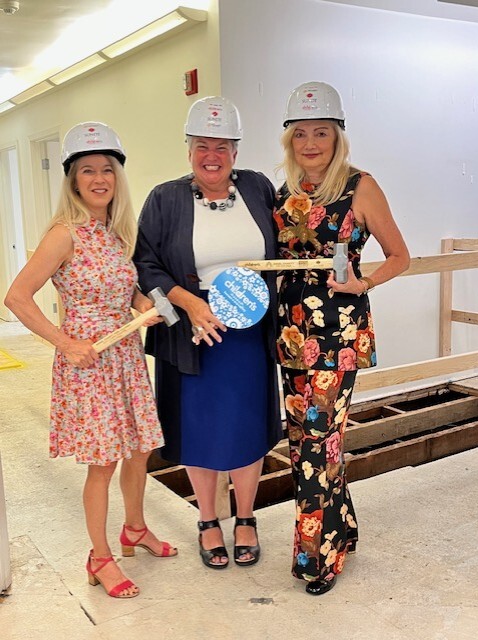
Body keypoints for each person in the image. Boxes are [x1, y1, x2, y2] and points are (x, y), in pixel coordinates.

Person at [4, 122, 177, 599]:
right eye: (88, 170)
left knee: (140, 448)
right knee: (102, 464)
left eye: (108, 169)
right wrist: (64, 342)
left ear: (118, 176)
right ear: (73, 179)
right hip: (88, 362)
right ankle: (98, 557)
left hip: (124, 355)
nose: (99, 178)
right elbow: (16, 297)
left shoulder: (116, 231)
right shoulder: (65, 234)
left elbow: (127, 290)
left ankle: (135, 529)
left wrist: (142, 304)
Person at [133, 96, 282, 570]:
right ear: (188, 150)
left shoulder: (258, 188)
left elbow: (287, 242)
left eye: (222, 146)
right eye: (202, 145)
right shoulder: (165, 198)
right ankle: (207, 519)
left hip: (249, 334)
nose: (211, 155)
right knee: (199, 429)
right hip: (195, 336)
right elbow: (146, 263)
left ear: (236, 152)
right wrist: (191, 303)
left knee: (247, 426)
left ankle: (244, 517)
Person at [273, 82, 410, 595]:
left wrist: (366, 281)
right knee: (309, 443)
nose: (311, 142)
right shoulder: (280, 190)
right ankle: (344, 530)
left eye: (322, 132)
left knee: (316, 444)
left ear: (338, 136)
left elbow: (400, 254)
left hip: (338, 335)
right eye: (301, 133)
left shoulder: (360, 187)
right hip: (290, 334)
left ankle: (318, 559)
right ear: (290, 139)